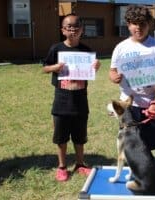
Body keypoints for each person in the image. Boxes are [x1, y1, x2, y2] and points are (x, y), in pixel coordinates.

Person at [109, 5, 155, 168]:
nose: (138, 27)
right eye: (134, 23)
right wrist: (114, 77)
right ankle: (139, 168)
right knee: (131, 140)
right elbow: (112, 72)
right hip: (128, 105)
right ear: (128, 24)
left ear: (149, 24)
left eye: (142, 23)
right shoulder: (120, 48)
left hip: (151, 104)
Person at [43, 13, 101, 182]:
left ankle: (80, 164)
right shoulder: (56, 48)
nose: (72, 30)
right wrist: (55, 67)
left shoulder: (87, 50)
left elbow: (90, 70)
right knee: (60, 136)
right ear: (63, 30)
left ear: (82, 30)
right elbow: (44, 68)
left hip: (80, 98)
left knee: (80, 135)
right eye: (69, 27)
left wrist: (96, 66)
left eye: (76, 27)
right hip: (61, 98)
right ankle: (62, 166)